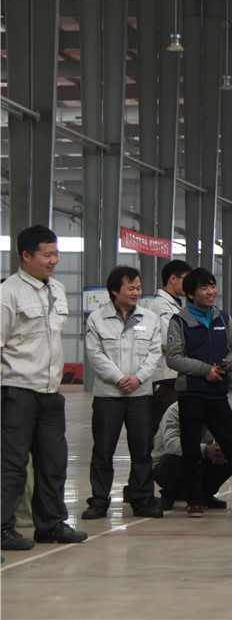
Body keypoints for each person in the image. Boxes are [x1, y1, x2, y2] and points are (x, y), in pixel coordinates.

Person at [1, 226, 87, 550]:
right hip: (17, 391)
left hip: (51, 393)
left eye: (56, 253)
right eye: (47, 254)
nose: (54, 260)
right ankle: (3, 527)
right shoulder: (8, 293)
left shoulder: (58, 290)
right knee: (12, 465)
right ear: (26, 255)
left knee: (53, 462)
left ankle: (50, 525)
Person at [166, 268, 232, 518]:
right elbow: (173, 358)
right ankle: (195, 499)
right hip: (192, 394)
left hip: (218, 395)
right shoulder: (179, 321)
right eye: (204, 288)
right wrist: (205, 370)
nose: (211, 292)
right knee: (190, 450)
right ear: (191, 294)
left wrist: (231, 363)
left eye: (212, 286)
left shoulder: (223, 319)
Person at [82, 265, 164, 520]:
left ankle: (142, 498)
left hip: (140, 395)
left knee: (142, 449)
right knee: (103, 450)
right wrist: (119, 378)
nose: (136, 292)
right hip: (108, 395)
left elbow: (155, 353)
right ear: (115, 291)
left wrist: (138, 378)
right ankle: (99, 500)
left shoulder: (150, 319)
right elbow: (95, 354)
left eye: (138, 288)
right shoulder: (97, 319)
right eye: (131, 288)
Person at [152, 402, 231, 511]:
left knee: (230, 458)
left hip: (198, 462)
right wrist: (206, 449)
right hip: (166, 466)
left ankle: (205, 495)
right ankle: (169, 495)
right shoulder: (175, 410)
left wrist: (219, 451)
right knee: (174, 458)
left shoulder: (216, 410)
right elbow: (171, 445)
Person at [146, 259, 192, 439]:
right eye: (186, 279)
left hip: (174, 375)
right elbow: (169, 340)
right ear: (173, 279)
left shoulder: (174, 304)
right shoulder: (161, 306)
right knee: (161, 429)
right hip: (165, 378)